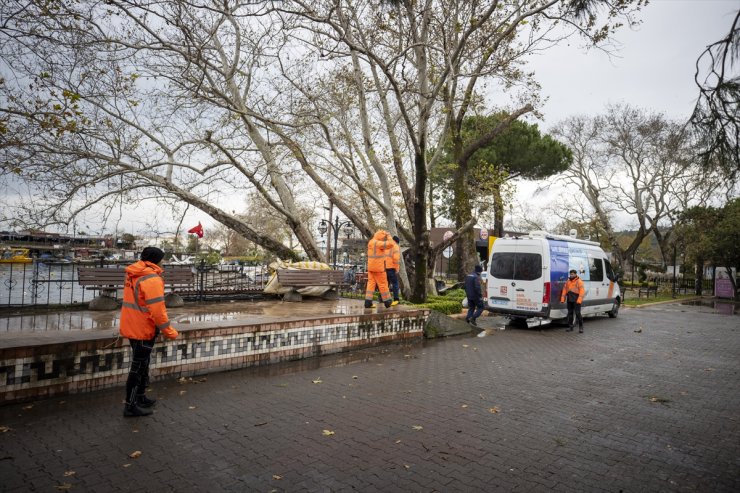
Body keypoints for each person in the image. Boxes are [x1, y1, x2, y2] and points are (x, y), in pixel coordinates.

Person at [120, 246, 179, 417]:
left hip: (132, 325)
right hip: (144, 328)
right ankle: (130, 406)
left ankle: (140, 396)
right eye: (162, 258)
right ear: (156, 260)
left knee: (142, 364)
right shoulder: (151, 279)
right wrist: (169, 331)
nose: (164, 261)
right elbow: (158, 311)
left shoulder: (134, 273)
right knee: (138, 367)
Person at [364, 230, 394, 309]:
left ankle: (368, 302)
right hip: (379, 268)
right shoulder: (378, 243)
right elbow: (391, 244)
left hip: (371, 268)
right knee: (383, 284)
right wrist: (388, 235)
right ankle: (387, 302)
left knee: (371, 285)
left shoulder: (371, 242)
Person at [560, 269, 585, 333]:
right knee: (570, 314)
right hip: (569, 299)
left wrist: (579, 300)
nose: (571, 275)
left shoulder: (579, 281)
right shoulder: (568, 281)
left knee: (577, 313)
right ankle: (570, 327)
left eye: (572, 274)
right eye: (570, 274)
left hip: (576, 300)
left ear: (576, 274)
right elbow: (564, 290)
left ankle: (581, 327)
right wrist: (562, 299)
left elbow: (582, 292)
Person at [386, 235, 401, 306]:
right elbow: (396, 259)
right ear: (397, 242)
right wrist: (397, 269)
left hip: (385, 268)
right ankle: (396, 299)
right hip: (392, 268)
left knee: (386, 284)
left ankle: (384, 299)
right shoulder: (395, 246)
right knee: (395, 284)